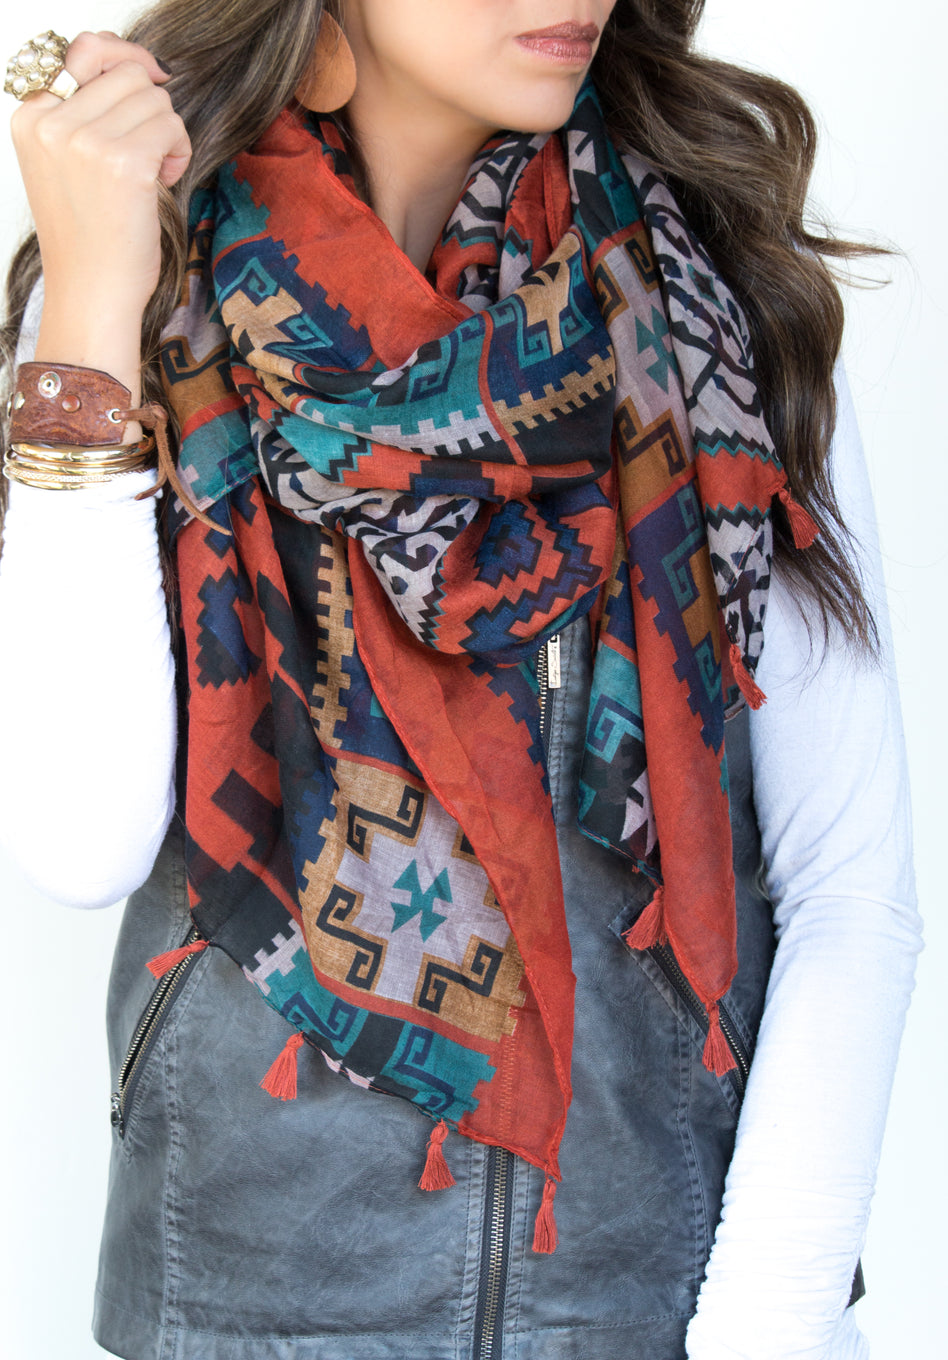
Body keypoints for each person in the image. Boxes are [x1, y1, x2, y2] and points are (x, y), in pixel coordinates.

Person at [0, 3, 921, 1358]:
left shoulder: (711, 306)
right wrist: (87, 302)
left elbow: (848, 886)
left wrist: (768, 1324)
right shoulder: (144, 299)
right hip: (246, 1307)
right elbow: (81, 843)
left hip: (653, 1307)